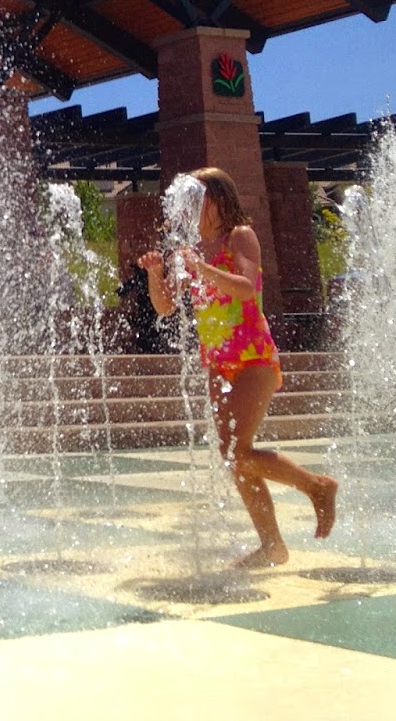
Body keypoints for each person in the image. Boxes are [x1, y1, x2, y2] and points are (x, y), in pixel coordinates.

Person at [138, 166, 338, 567]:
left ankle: (316, 486)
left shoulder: (239, 237)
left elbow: (246, 288)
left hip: (252, 359)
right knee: (234, 457)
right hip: (218, 364)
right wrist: (155, 273)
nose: (190, 209)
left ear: (218, 200)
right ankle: (272, 546)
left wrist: (201, 268)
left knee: (235, 450)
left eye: (198, 199)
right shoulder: (191, 249)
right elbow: (164, 307)